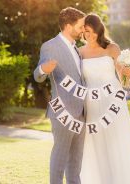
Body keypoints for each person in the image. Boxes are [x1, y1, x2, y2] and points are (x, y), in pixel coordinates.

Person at [79, 14, 130, 184]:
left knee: (116, 144)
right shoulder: (79, 52)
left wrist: (128, 74)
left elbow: (125, 83)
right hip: (91, 104)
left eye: (91, 31)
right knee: (96, 144)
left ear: (99, 30)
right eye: (85, 32)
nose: (88, 35)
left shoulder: (112, 48)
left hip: (113, 102)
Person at [34, 7, 86, 184]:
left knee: (76, 164)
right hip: (63, 112)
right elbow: (37, 75)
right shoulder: (50, 46)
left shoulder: (76, 48)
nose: (82, 29)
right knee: (60, 159)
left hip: (82, 114)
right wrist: (43, 69)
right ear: (68, 25)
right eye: (80, 26)